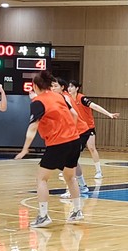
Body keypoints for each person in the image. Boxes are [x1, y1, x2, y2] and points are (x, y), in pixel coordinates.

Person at [15, 70, 84, 226]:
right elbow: (74, 115)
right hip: (74, 140)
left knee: (41, 178)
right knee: (70, 177)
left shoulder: (37, 102)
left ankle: (43, 216)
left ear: (35, 86)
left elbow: (33, 127)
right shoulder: (60, 96)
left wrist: (25, 149)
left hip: (58, 143)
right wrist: (69, 130)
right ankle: (77, 211)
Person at [66, 80, 119, 180]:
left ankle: (99, 171)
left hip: (88, 127)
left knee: (91, 147)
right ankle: (70, 169)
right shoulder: (67, 99)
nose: (69, 88)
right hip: (77, 129)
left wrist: (109, 114)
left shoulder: (82, 98)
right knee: (73, 149)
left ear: (77, 88)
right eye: (69, 86)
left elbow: (95, 106)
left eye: (72, 86)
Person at [52, 78, 90, 198]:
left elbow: (73, 115)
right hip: (75, 132)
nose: (53, 88)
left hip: (80, 132)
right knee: (73, 161)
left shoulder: (65, 98)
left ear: (62, 87)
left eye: (55, 86)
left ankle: (71, 189)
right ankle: (82, 186)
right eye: (51, 86)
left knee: (68, 161)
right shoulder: (57, 98)